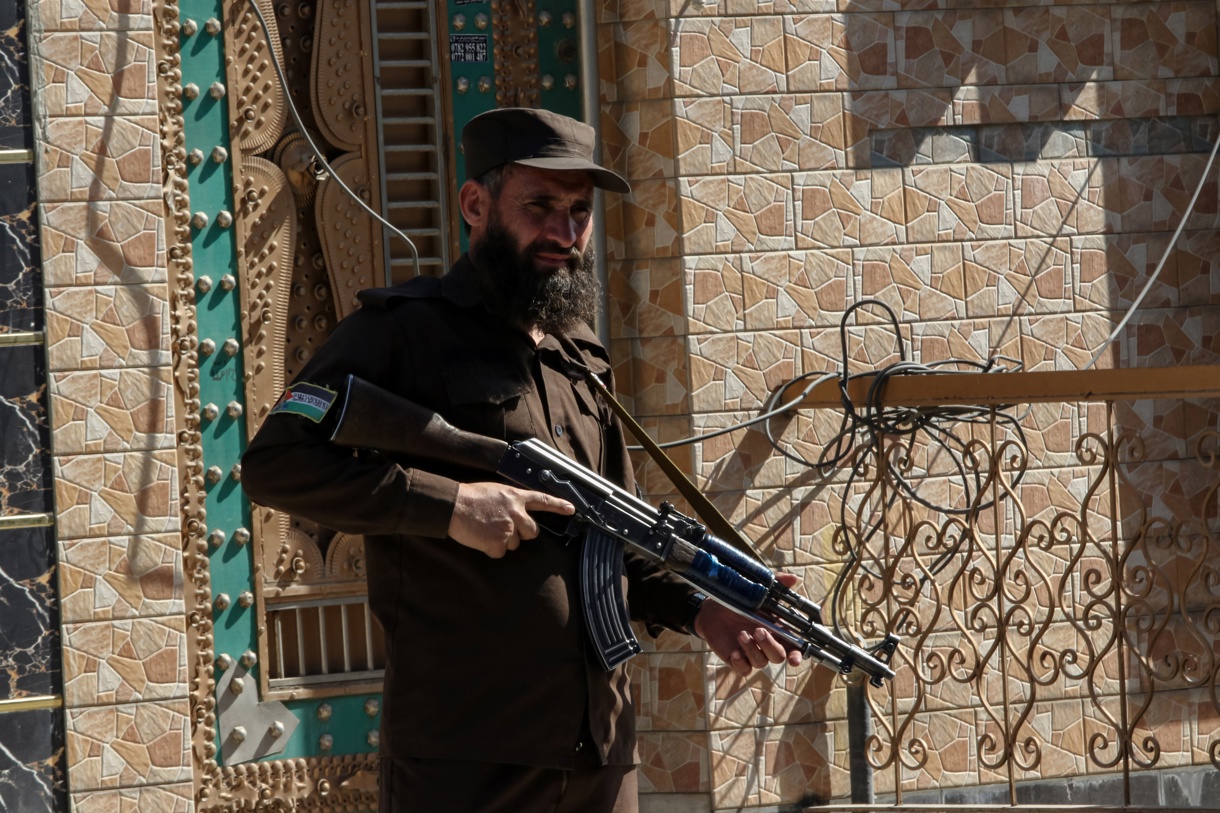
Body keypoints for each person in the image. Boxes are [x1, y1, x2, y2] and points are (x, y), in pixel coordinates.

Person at [241, 107, 802, 813]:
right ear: (476, 205)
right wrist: (449, 507)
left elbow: (615, 542)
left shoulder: (579, 358)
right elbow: (274, 464)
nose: (565, 233)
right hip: (467, 759)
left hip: (599, 754)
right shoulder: (399, 334)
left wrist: (702, 610)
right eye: (540, 206)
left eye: (578, 211)